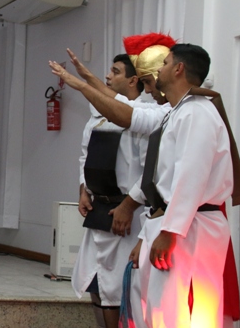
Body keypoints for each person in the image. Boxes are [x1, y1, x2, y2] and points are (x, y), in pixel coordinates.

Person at [51, 36, 240, 327]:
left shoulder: (196, 113)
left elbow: (190, 178)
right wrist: (149, 234)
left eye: (165, 63)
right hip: (170, 223)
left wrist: (169, 231)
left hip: (191, 228)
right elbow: (129, 117)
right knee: (157, 308)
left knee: (182, 310)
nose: (158, 71)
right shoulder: (175, 112)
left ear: (178, 69)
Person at [71, 54, 148, 328]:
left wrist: (128, 206)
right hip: (99, 210)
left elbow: (150, 171)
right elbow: (85, 156)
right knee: (95, 283)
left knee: (117, 288)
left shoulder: (143, 117)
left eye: (115, 71)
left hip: (126, 213)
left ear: (133, 80)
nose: (107, 76)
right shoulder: (98, 115)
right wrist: (84, 189)